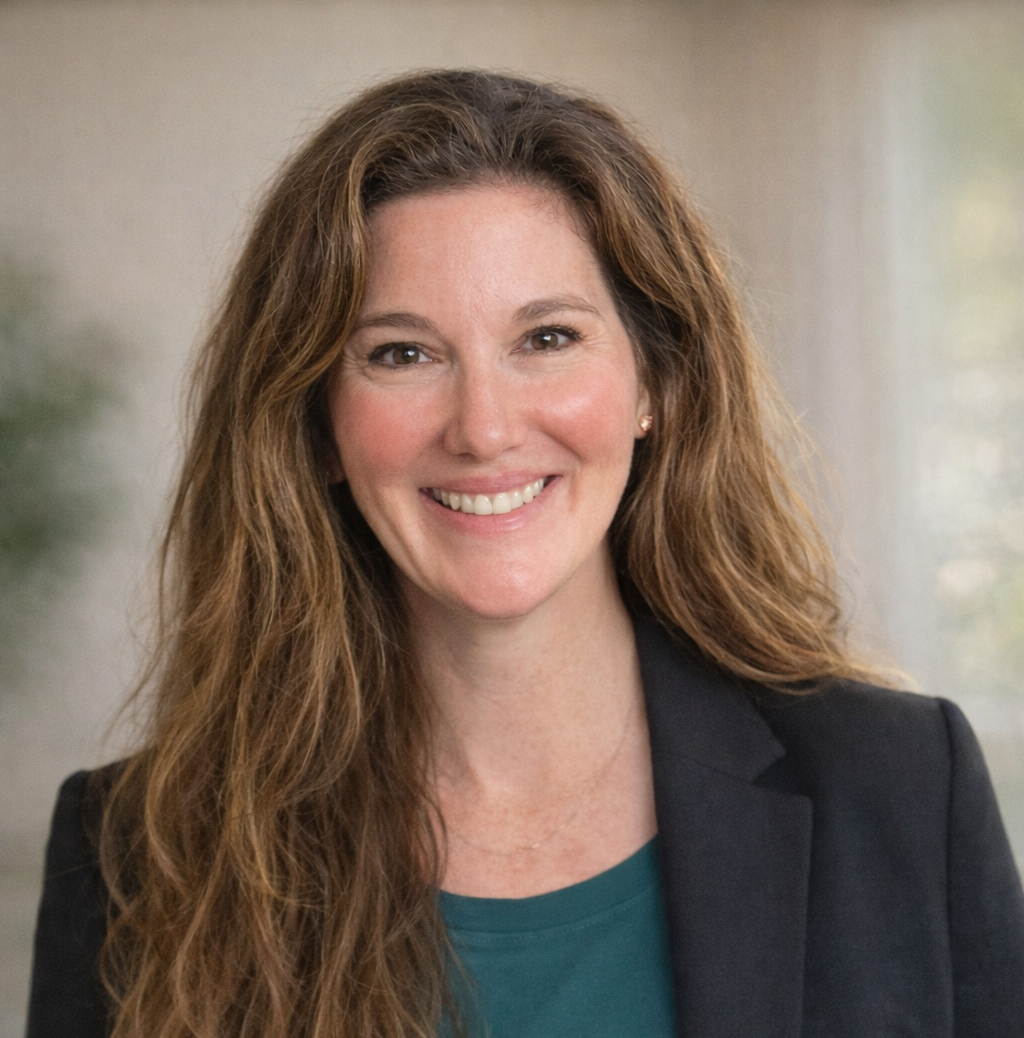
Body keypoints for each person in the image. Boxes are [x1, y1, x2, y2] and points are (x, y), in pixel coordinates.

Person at [25, 69, 1024, 1038]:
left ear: (655, 383)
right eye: (402, 353)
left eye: (546, 338)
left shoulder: (899, 787)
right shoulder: (133, 857)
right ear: (317, 424)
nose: (484, 428)